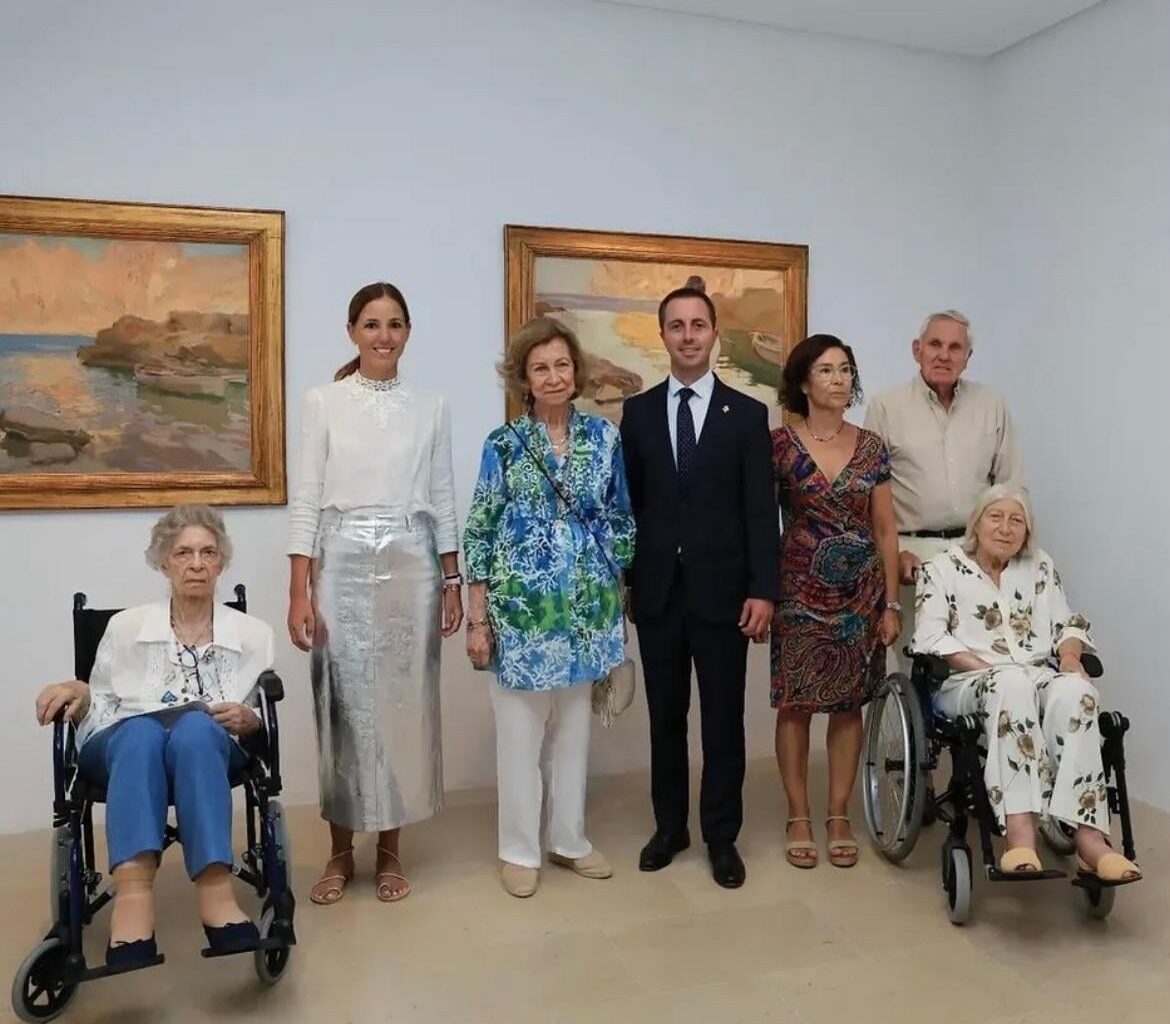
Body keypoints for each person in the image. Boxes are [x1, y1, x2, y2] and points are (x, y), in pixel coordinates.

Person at [34, 505, 274, 968]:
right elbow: (100, 698)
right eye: (183, 552)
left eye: (208, 552)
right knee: (142, 733)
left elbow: (257, 714)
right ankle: (134, 904)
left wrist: (250, 720)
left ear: (222, 562)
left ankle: (217, 897)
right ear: (164, 561)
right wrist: (75, 689)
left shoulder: (253, 634)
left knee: (197, 729)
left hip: (204, 747)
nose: (197, 563)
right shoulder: (125, 627)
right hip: (124, 744)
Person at [287, 281, 462, 906]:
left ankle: (390, 850)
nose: (383, 335)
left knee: (399, 709)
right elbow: (306, 494)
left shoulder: (432, 404)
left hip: (413, 564)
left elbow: (441, 493)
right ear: (352, 332)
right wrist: (299, 589)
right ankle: (340, 851)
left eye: (394, 324)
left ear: (409, 332)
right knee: (342, 708)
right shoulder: (322, 401)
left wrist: (451, 578)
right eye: (371, 324)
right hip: (341, 562)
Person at [463, 316, 634, 898]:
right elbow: (481, 530)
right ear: (524, 378)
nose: (554, 375)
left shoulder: (605, 438)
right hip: (523, 613)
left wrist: (618, 589)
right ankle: (518, 849)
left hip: (588, 610)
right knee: (519, 735)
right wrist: (478, 617)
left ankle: (569, 840)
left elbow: (620, 516)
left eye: (562, 364)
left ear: (576, 371)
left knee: (574, 734)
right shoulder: (504, 445)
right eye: (541, 367)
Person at [619, 279, 778, 889]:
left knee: (722, 721)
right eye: (677, 326)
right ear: (663, 336)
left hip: (726, 596)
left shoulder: (748, 416)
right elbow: (626, 507)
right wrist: (628, 582)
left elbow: (762, 514)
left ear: (714, 334)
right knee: (666, 719)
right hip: (658, 594)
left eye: (699, 325)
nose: (688, 336)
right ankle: (670, 828)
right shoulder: (636, 413)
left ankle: (720, 835)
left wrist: (764, 590)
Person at [913, 486, 1141, 881]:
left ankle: (1090, 837)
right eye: (995, 517)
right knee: (1011, 683)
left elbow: (1067, 622)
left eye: (1016, 520)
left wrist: (1069, 659)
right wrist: (986, 665)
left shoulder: (1039, 566)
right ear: (977, 522)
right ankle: (1020, 833)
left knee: (1078, 693)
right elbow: (930, 637)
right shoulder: (942, 568)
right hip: (968, 680)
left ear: (1027, 530)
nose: (1005, 528)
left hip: (1033, 675)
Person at [771, 335, 900, 868]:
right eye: (826, 370)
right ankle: (798, 814)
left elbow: (887, 529)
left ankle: (839, 812)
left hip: (859, 595)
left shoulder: (871, 446)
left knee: (848, 707)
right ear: (804, 382)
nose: (839, 379)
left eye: (846, 370)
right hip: (797, 591)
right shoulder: (777, 445)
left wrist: (890, 604)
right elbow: (759, 522)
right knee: (795, 704)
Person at [863, 310, 1022, 666]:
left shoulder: (991, 405)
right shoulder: (886, 406)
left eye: (955, 347)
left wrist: (1003, 554)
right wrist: (891, 558)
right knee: (922, 667)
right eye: (935, 344)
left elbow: (1011, 488)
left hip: (978, 553)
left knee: (983, 664)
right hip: (912, 558)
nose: (944, 355)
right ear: (917, 349)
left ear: (968, 358)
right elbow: (869, 499)